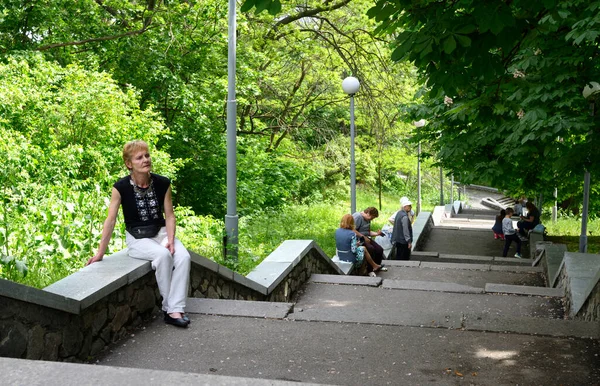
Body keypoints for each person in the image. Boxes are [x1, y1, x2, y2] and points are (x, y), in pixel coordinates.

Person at [87, 140, 191, 328]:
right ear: (129, 164)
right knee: (162, 255)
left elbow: (170, 216)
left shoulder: (162, 183)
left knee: (183, 256)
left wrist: (171, 240)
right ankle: (171, 309)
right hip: (137, 238)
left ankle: (176, 307)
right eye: (139, 157)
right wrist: (100, 253)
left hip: (160, 233)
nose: (145, 160)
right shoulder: (121, 188)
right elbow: (110, 220)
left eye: (147, 155)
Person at [352, 207, 387, 272]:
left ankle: (377, 266)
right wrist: (363, 237)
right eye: (372, 217)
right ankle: (369, 270)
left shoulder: (368, 219)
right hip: (358, 239)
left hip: (366, 237)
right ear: (368, 213)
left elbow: (368, 232)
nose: (372, 219)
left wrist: (377, 234)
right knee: (371, 249)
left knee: (379, 249)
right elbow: (353, 230)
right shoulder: (358, 217)